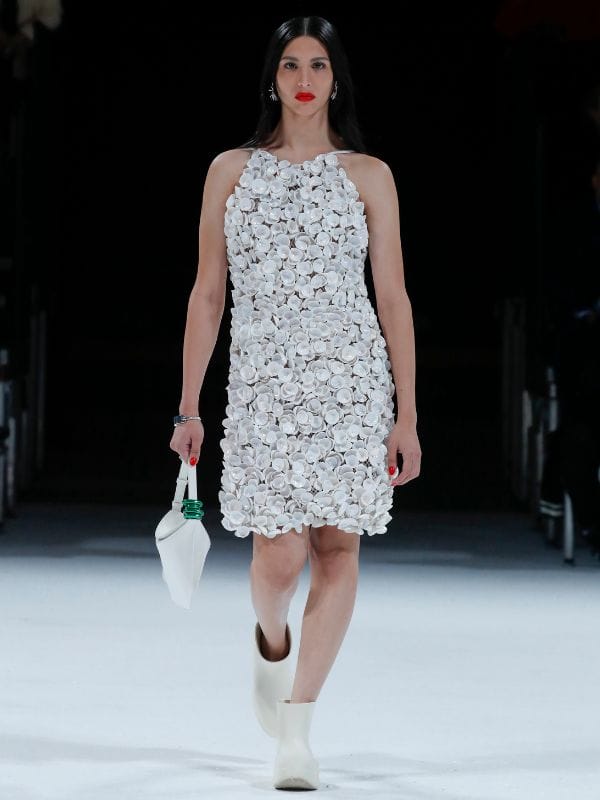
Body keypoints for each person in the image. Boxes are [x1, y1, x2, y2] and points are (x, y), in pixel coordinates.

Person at [169, 15, 421, 791]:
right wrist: (188, 407)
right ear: (271, 78)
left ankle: (298, 732)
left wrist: (408, 414)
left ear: (336, 79)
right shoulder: (231, 170)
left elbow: (393, 297)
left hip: (351, 386)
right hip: (264, 387)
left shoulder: (369, 174)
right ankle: (271, 642)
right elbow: (208, 294)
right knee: (275, 558)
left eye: (317, 65)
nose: (304, 79)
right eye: (290, 65)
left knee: (337, 552)